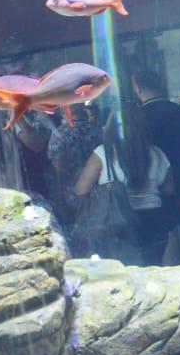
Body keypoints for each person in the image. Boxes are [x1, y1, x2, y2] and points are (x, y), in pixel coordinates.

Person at [72, 99, 174, 264]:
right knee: (151, 269)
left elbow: (81, 190)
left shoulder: (103, 154)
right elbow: (168, 189)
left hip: (118, 222)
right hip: (154, 220)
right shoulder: (157, 153)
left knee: (123, 272)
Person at [133, 71, 180, 264]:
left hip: (157, 176)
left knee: (168, 228)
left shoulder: (140, 116)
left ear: (138, 88)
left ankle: (173, 269)